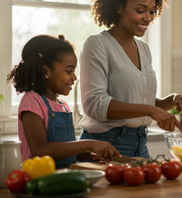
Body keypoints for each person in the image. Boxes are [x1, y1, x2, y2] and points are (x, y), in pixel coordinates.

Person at [79, 0, 182, 158]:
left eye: (151, 11)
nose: (148, 18)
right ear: (118, 6)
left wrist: (173, 99)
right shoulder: (97, 44)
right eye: (140, 10)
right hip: (106, 144)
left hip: (140, 144)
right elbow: (94, 105)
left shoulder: (143, 49)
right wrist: (150, 110)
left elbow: (141, 102)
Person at [7, 34, 120, 168]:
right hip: (39, 179)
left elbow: (65, 151)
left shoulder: (64, 106)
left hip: (64, 178)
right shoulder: (32, 101)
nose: (74, 77)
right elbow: (40, 150)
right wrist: (88, 144)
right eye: (68, 71)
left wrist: (90, 155)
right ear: (45, 72)